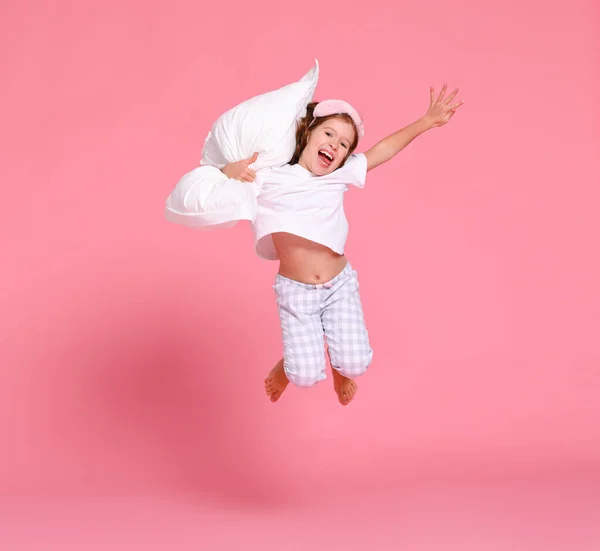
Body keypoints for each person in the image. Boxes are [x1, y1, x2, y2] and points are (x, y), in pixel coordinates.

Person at [221, 85, 464, 405]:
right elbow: (219, 178)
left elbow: (384, 150)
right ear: (307, 134)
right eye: (329, 134)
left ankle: (339, 371)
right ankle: (288, 367)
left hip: (339, 285)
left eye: (344, 143)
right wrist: (231, 170)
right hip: (296, 291)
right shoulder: (272, 175)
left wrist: (426, 121)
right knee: (303, 375)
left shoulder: (338, 175)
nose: (335, 145)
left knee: (356, 362)